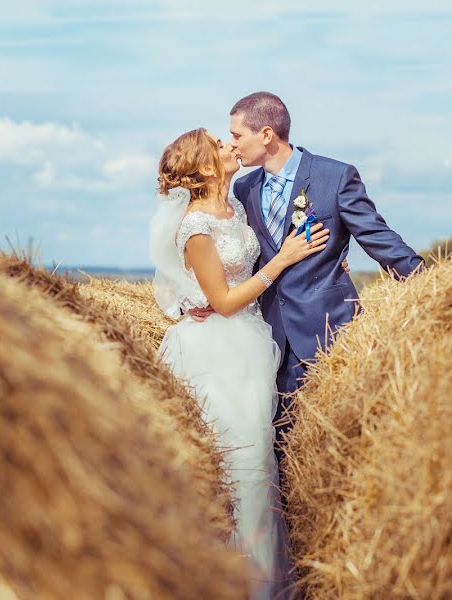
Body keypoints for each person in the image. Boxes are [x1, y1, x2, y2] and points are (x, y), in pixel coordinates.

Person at [191, 92, 424, 482]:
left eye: (236, 135)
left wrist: (431, 287)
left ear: (266, 134)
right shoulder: (244, 189)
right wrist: (207, 302)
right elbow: (234, 258)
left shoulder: (335, 176)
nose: (231, 144)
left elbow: (378, 238)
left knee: (341, 453)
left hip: (329, 334)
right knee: (277, 455)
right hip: (266, 341)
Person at [149, 127, 325, 599]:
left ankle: (262, 582)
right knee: (238, 463)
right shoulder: (196, 227)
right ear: (206, 166)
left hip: (251, 344)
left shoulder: (235, 208)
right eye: (221, 143)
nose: (231, 146)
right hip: (216, 351)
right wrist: (285, 259)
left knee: (259, 461)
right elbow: (223, 302)